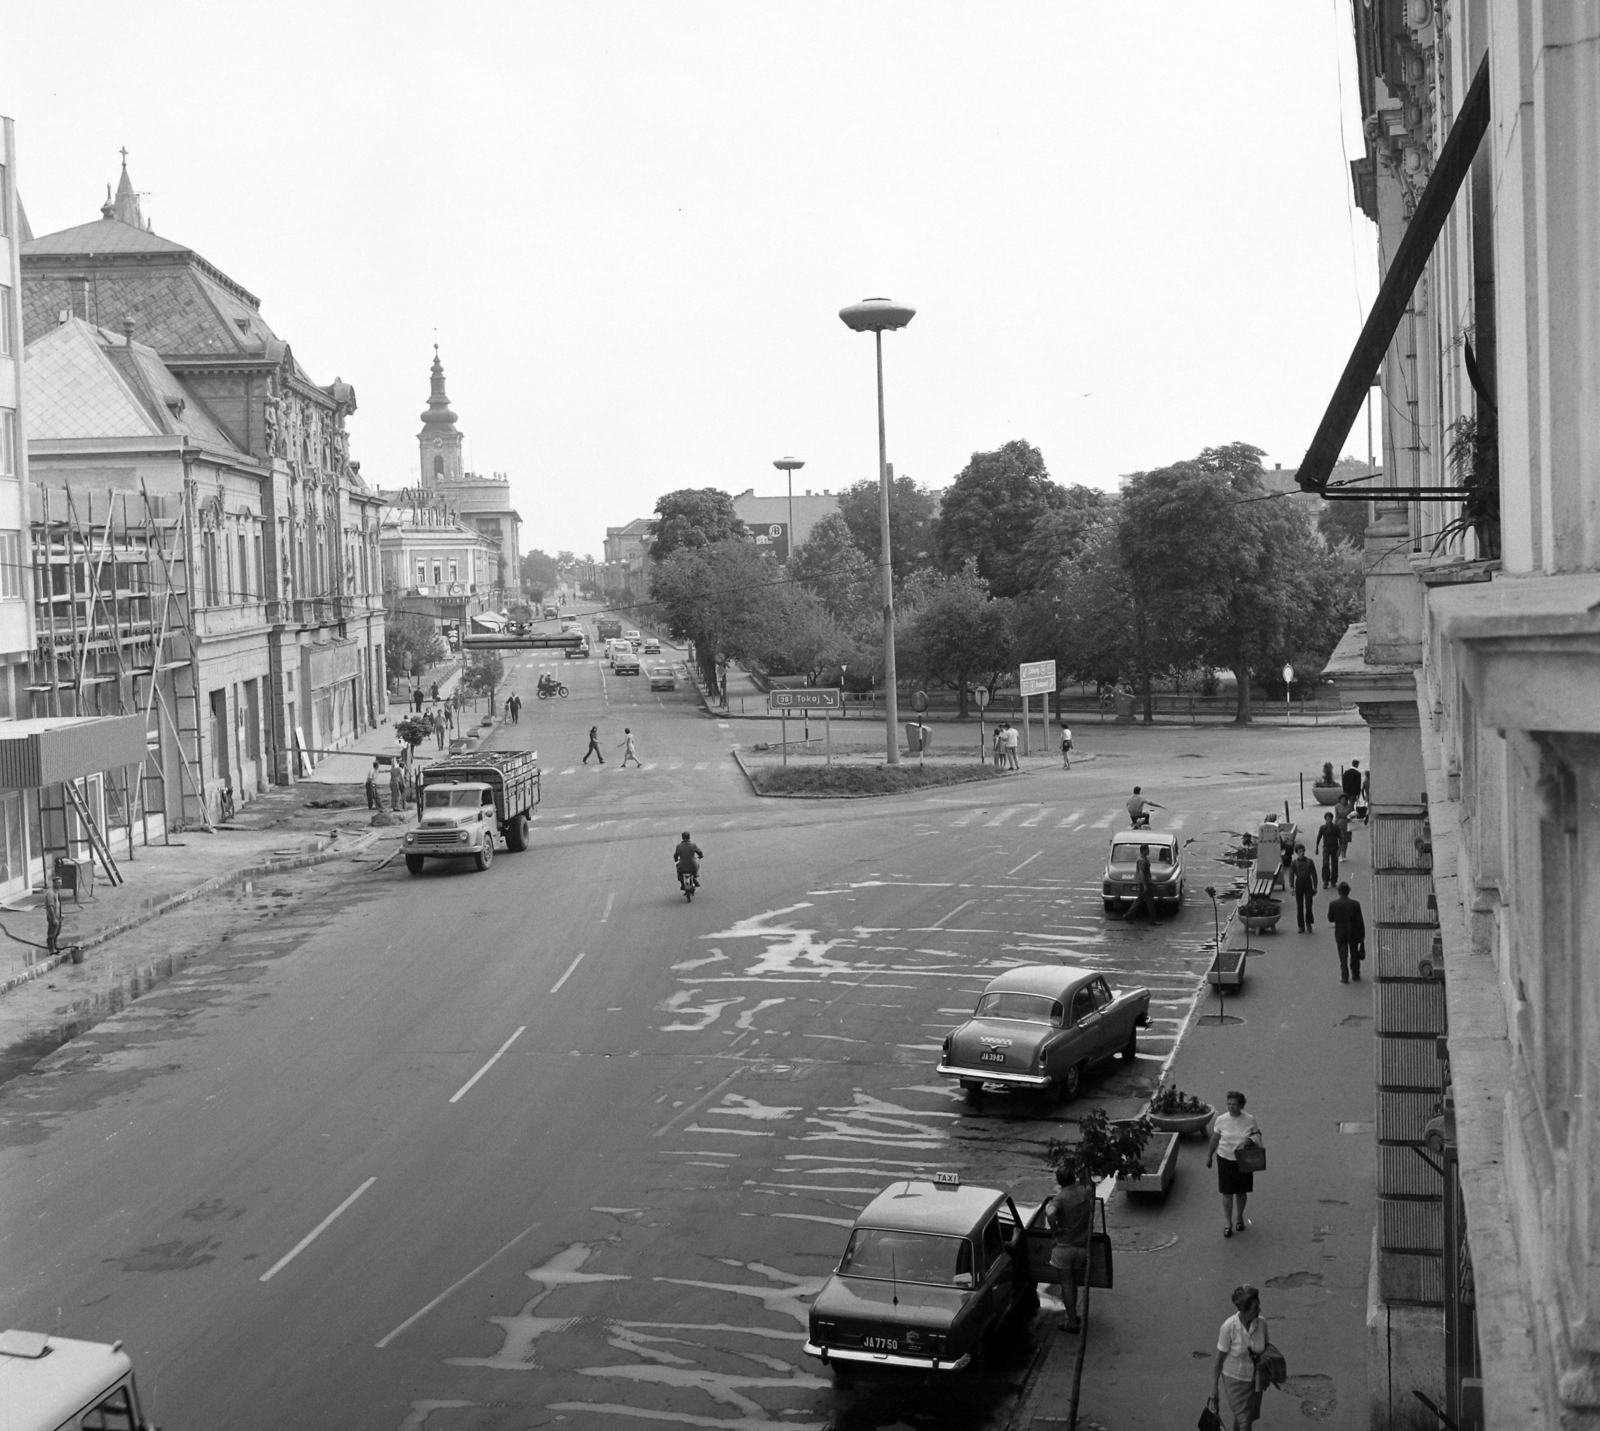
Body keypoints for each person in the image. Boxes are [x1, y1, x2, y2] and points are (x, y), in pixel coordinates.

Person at [1045, 1159, 1094, 1334]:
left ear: (1059, 1181)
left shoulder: (1060, 1198)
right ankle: (1073, 1315)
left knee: (1066, 1283)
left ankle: (1072, 1321)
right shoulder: (1085, 1192)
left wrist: (1055, 1228)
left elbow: (1050, 1212)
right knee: (1073, 1282)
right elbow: (1090, 1183)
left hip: (1064, 1248)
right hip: (1082, 1247)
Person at [1210, 1284, 1268, 1429]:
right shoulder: (1228, 1327)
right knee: (1244, 1421)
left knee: (1245, 1417)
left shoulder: (1262, 1323)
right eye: (1255, 1308)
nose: (1259, 1310)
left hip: (1255, 1379)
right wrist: (1214, 1388)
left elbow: (1266, 1349)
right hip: (1235, 1380)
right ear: (1243, 1310)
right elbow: (1219, 1360)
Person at [1206, 1091, 1264, 1236]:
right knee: (1226, 1191)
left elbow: (1257, 1135)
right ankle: (1228, 1222)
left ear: (1241, 1105)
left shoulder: (1249, 1119)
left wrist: (1249, 1140)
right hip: (1225, 1158)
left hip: (1243, 1159)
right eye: (1229, 1104)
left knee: (1241, 1191)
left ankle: (1239, 1217)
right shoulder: (1221, 1120)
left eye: (1234, 1105)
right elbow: (1215, 1139)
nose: (1231, 1107)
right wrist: (1209, 1156)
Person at [1328, 881, 1367, 982]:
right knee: (1354, 953)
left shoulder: (1333, 904)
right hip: (1352, 932)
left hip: (1340, 932)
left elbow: (1330, 919)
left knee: (1342, 954)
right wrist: (1362, 935)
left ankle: (1344, 976)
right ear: (1348, 892)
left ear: (1339, 892)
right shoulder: (1355, 904)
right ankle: (1355, 973)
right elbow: (1360, 921)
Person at [1126, 843, 1159, 924]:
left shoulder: (1143, 858)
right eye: (1147, 849)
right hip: (1145, 883)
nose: (1149, 851)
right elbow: (1141, 872)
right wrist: (1145, 885)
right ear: (1144, 850)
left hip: (1144, 883)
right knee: (1149, 901)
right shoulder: (1142, 860)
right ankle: (1152, 919)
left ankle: (1129, 915)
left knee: (1140, 899)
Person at [1291, 844, 1319, 932]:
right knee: (1299, 907)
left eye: (1303, 851)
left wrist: (1315, 886)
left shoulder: (1309, 862)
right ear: (1296, 853)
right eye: (1299, 852)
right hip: (1299, 883)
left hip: (1308, 883)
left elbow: (1314, 874)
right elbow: (1291, 875)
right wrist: (1291, 887)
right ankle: (1301, 926)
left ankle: (1308, 923)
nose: (1302, 853)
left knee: (1309, 905)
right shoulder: (1294, 863)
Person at [1314, 811, 1340, 887]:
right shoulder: (1322, 828)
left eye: (1330, 818)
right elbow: (1319, 837)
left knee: (1334, 865)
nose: (1328, 820)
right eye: (1327, 819)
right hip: (1326, 847)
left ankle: (1333, 881)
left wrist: (1340, 849)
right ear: (1325, 819)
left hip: (1335, 847)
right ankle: (1325, 881)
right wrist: (1317, 847)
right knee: (1325, 864)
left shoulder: (1336, 827)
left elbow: (1340, 838)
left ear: (1332, 819)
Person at [43, 876, 64, 959]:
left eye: (61, 883)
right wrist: (54, 918)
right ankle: (51, 949)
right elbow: (50, 907)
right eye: (58, 883)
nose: (60, 885)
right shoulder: (50, 893)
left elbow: (59, 904)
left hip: (58, 916)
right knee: (52, 934)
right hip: (53, 917)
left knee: (57, 932)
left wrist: (61, 914)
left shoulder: (57, 892)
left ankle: (55, 946)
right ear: (54, 883)